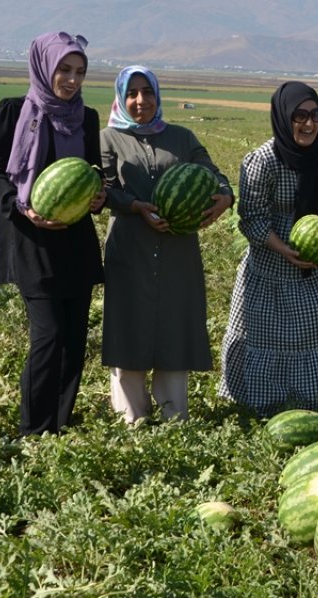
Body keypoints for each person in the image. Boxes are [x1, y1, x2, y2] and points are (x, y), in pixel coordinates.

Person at [0, 32, 105, 437]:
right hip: (33, 240)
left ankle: (60, 423)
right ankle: (32, 429)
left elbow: (92, 172)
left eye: (79, 72)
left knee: (74, 341)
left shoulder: (86, 117)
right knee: (49, 337)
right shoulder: (15, 110)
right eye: (64, 70)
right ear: (43, 66)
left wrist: (97, 196)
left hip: (76, 242)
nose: (72, 80)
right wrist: (22, 209)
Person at [99, 65, 233, 423]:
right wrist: (134, 206)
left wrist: (225, 196)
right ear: (121, 98)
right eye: (132, 93)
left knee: (174, 328)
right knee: (128, 331)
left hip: (177, 250)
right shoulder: (108, 139)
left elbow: (214, 174)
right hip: (129, 248)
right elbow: (103, 189)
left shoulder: (182, 137)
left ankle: (176, 420)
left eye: (147, 92)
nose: (140, 100)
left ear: (158, 96)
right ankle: (131, 421)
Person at [219, 81, 318, 413]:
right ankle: (263, 407)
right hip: (272, 267)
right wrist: (284, 250)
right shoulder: (262, 161)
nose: (309, 123)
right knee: (267, 339)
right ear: (283, 117)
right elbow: (251, 219)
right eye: (300, 115)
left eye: (316, 114)